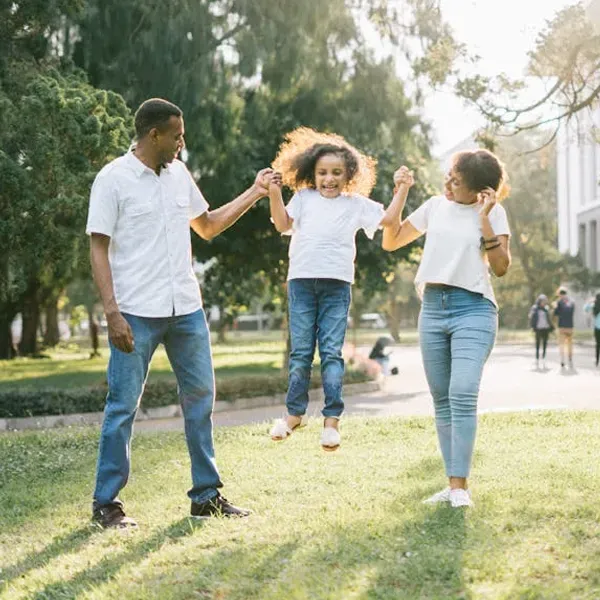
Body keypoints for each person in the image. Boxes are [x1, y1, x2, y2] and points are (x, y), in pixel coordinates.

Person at [86, 98, 273, 528]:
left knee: (201, 400)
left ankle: (205, 496)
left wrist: (255, 191)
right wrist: (112, 313)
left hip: (186, 309)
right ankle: (106, 504)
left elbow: (206, 225)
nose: (181, 142)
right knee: (122, 406)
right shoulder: (113, 179)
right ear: (154, 135)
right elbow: (97, 247)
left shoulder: (179, 175)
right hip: (135, 311)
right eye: (177, 135)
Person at [267, 127, 412, 451]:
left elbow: (389, 220)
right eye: (322, 173)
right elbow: (281, 224)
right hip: (302, 283)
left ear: (349, 175)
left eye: (336, 173)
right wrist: (274, 193)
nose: (329, 179)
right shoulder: (303, 198)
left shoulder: (355, 204)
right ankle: (294, 415)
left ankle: (331, 422)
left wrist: (401, 189)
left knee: (331, 352)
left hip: (336, 286)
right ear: (312, 174)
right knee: (301, 353)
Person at [382, 149, 511, 508]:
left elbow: (501, 267)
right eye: (450, 176)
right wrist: (402, 191)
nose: (449, 184)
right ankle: (453, 486)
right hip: (433, 310)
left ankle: (460, 489)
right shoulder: (436, 206)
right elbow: (390, 241)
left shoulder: (494, 212)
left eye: (458, 181)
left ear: (481, 191)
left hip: (474, 308)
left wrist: (484, 219)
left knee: (463, 392)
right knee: (442, 399)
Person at [528, 294, 553, 370]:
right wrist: (532, 326)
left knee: (545, 344)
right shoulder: (535, 308)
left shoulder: (546, 308)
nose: (544, 302)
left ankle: (544, 358)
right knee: (538, 344)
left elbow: (549, 319)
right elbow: (530, 317)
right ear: (539, 301)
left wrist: (551, 327)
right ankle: (537, 359)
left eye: (545, 301)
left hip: (545, 328)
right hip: (538, 329)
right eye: (542, 301)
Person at [553, 287, 575, 369]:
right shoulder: (572, 302)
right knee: (569, 344)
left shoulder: (559, 302)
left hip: (562, 326)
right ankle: (570, 358)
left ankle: (562, 360)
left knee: (561, 343)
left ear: (560, 294)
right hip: (570, 326)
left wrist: (555, 307)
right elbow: (572, 312)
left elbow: (556, 313)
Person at [584, 293, 600, 366]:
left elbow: (585, 308)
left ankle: (597, 360)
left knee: (597, 344)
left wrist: (590, 301)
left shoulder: (594, 306)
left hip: (597, 328)